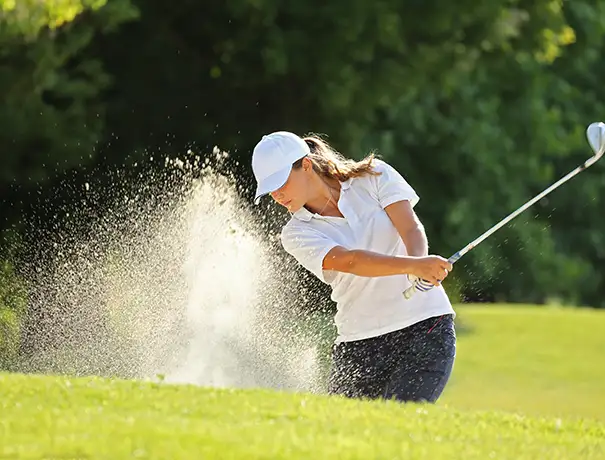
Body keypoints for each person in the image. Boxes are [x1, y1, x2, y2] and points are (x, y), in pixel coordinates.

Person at [251, 130, 457, 403]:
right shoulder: (295, 232)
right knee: (342, 438)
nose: (277, 195)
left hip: (425, 328)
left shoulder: (374, 176)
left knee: (401, 425)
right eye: (270, 189)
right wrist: (413, 265)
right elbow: (351, 261)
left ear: (306, 165)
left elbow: (410, 227)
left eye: (281, 183)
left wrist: (417, 264)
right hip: (359, 344)